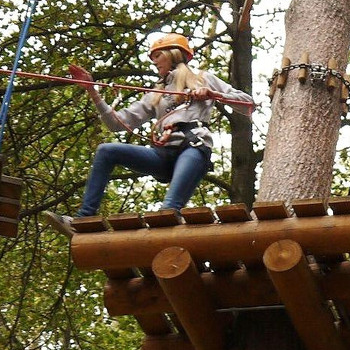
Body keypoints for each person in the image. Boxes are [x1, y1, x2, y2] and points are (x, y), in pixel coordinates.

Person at [43, 33, 254, 237]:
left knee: (168, 211)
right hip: (163, 153)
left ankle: (166, 240)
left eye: (157, 56)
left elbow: (247, 104)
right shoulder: (156, 93)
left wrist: (213, 94)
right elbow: (118, 123)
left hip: (193, 147)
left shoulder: (202, 78)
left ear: (173, 54)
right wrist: (92, 91)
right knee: (106, 151)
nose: (154, 62)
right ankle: (83, 220)